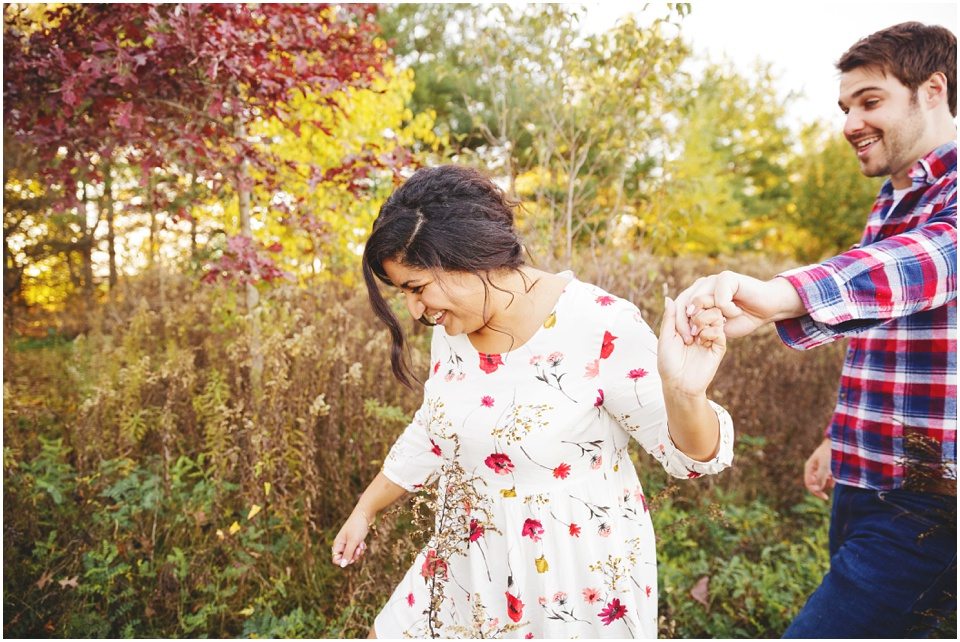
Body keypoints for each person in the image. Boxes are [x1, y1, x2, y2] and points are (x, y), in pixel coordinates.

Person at [332, 165, 735, 638]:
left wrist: (686, 394)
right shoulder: (455, 326)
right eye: (403, 293)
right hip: (469, 562)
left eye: (417, 288)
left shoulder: (598, 323)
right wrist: (366, 508)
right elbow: (436, 429)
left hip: (569, 583)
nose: (415, 311)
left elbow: (689, 457)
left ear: (469, 256)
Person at [674, 21, 957, 638]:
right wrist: (842, 437)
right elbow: (893, 326)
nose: (850, 122)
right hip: (865, 479)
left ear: (933, 90)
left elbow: (926, 263)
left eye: (870, 101)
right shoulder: (894, 198)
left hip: (932, 498)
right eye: (846, 107)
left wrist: (777, 294)